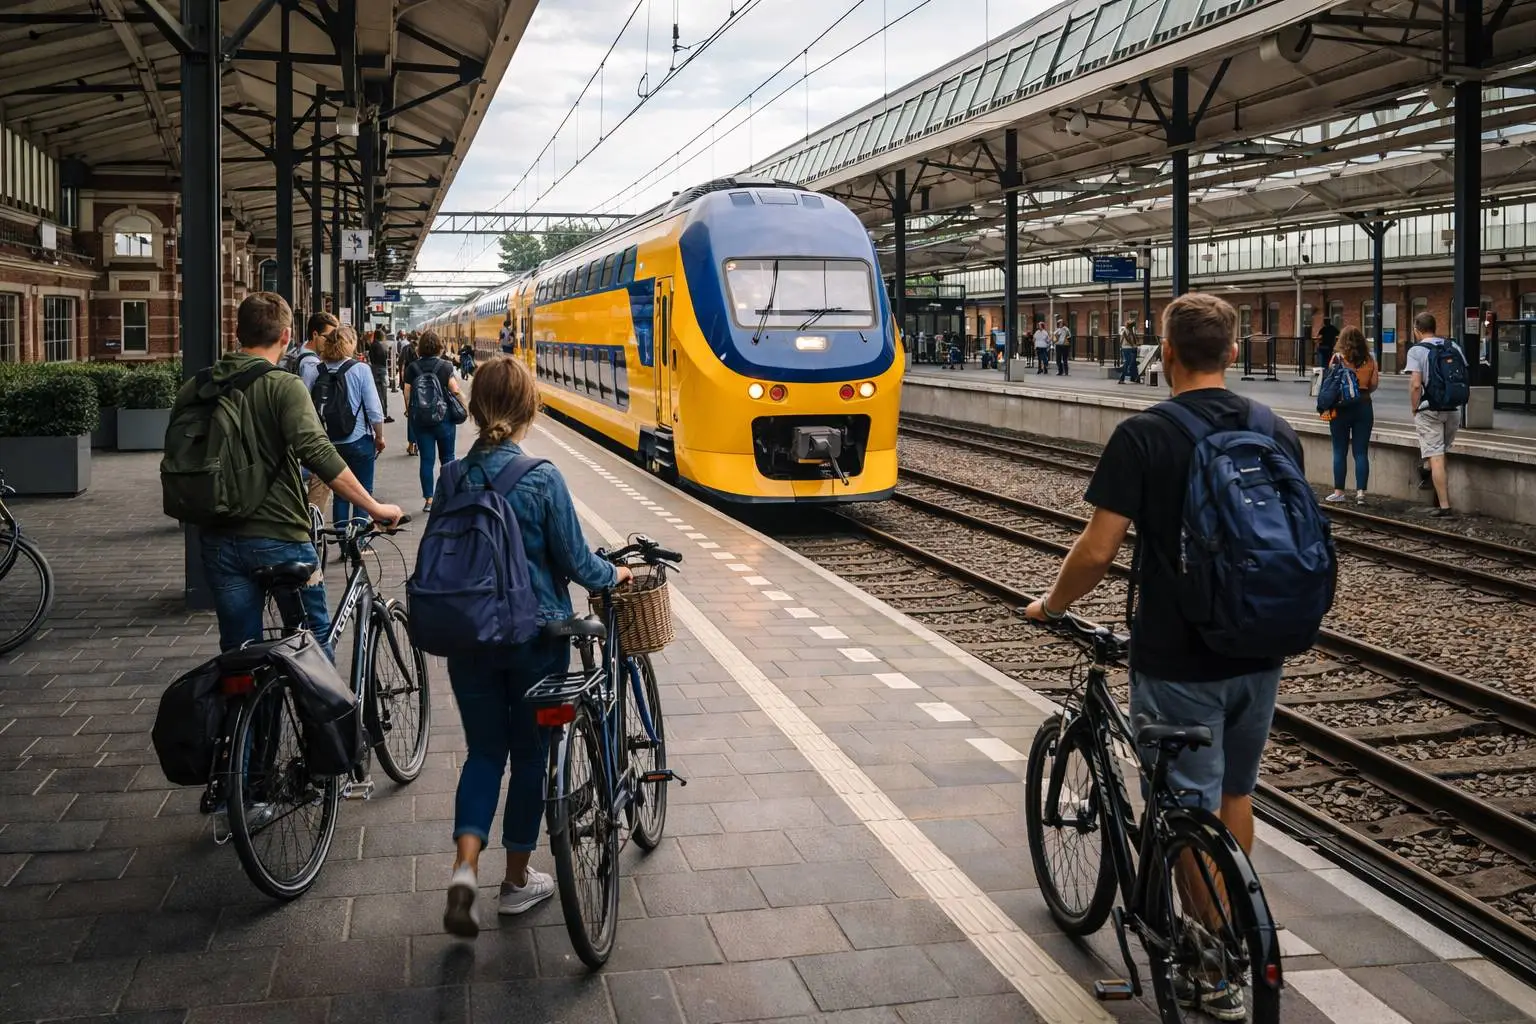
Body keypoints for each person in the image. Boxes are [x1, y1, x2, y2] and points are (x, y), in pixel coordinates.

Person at [1025, 293, 1301, 1023]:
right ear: (1233, 352)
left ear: (1166, 354)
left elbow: (1097, 549)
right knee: (1233, 795)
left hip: (1179, 659)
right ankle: (1237, 927)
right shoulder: (1274, 427)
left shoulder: (1144, 435)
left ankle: (1212, 965)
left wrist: (1051, 607)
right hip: (1263, 647)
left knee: (1181, 808)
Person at [439, 355, 632, 937]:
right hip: (534, 637)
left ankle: (464, 870)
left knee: (482, 754)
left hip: (469, 637)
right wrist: (614, 577)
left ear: (473, 409)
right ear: (530, 409)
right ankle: (516, 882)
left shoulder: (451, 477)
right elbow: (577, 563)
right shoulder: (542, 476)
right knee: (529, 757)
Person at [172, 293, 403, 654]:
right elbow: (320, 453)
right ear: (286, 335)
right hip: (279, 537)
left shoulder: (197, 385)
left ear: (237, 332)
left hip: (217, 536)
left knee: (239, 651)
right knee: (313, 642)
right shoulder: (283, 385)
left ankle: (246, 707)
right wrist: (374, 507)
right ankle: (322, 710)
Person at [302, 325, 387, 526]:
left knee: (341, 494)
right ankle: (357, 542)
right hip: (358, 441)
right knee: (363, 491)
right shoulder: (361, 369)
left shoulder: (316, 370)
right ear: (350, 345)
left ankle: (342, 541)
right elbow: (375, 411)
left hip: (328, 443)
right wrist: (379, 437)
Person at [1405, 311, 1463, 517]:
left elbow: (1415, 385)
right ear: (1435, 327)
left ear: (1416, 330)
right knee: (1440, 451)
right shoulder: (1452, 346)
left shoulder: (1416, 350)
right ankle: (1431, 476)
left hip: (1429, 409)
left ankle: (1444, 506)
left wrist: (1414, 408)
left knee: (1436, 455)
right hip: (1453, 408)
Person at [405, 330, 464, 513]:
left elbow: (407, 393)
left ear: (420, 347)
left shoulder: (412, 368)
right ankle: (449, 496)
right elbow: (454, 390)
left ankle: (429, 500)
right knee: (448, 458)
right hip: (444, 420)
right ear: (439, 346)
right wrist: (463, 404)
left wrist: (410, 412)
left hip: (421, 423)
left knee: (427, 460)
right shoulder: (446, 366)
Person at [1323, 326, 1378, 505]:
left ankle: (1339, 492)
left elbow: (1330, 384)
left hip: (1341, 407)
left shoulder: (1337, 358)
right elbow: (1374, 384)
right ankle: (1361, 493)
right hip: (1364, 405)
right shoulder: (1370, 359)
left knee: (1339, 450)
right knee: (1361, 451)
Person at [366, 329, 393, 423]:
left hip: (374, 370)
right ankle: (384, 415)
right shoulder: (381, 345)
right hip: (381, 371)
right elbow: (385, 357)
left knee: (377, 394)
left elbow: (371, 358)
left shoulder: (373, 345)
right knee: (383, 394)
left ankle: (380, 414)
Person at [399, 334, 419, 456]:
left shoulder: (405, 349)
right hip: (422, 390)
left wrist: (407, 408)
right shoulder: (421, 354)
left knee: (411, 418)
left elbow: (401, 366)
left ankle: (411, 445)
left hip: (409, 384)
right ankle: (417, 444)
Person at [1118, 319, 1139, 383]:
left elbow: (1133, 338)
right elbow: (1126, 338)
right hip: (1126, 348)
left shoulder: (1131, 330)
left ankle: (1133, 377)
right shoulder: (1125, 330)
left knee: (1132, 363)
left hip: (1129, 348)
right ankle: (1122, 378)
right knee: (1127, 362)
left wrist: (1135, 344)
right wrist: (1132, 345)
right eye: (1132, 326)